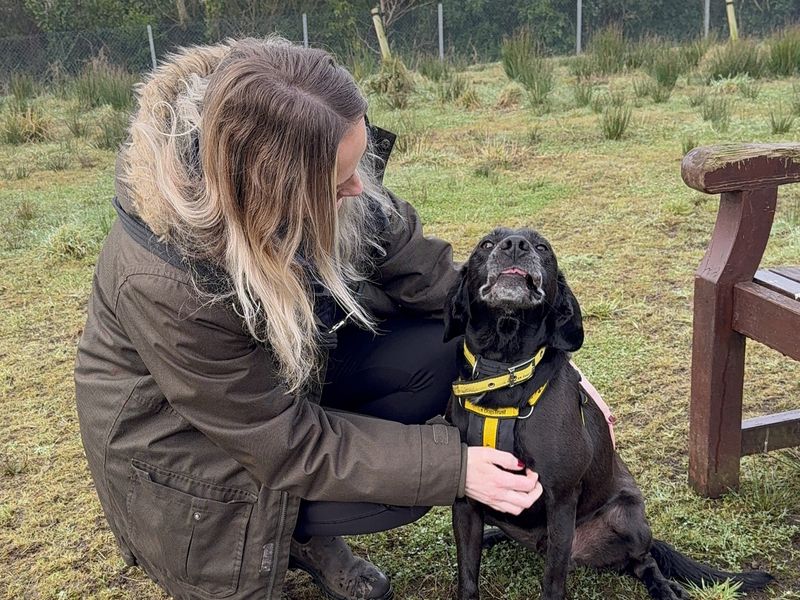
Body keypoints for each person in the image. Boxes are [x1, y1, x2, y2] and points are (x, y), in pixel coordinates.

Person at [74, 37, 543, 600]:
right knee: (410, 483)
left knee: (444, 350)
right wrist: (452, 465)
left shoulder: (312, 154)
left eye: (359, 162)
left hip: (283, 384)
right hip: (190, 451)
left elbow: (419, 266)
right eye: (339, 179)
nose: (359, 187)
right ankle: (286, 536)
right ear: (271, 190)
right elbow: (282, 441)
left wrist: (540, 359)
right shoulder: (168, 281)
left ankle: (305, 531)